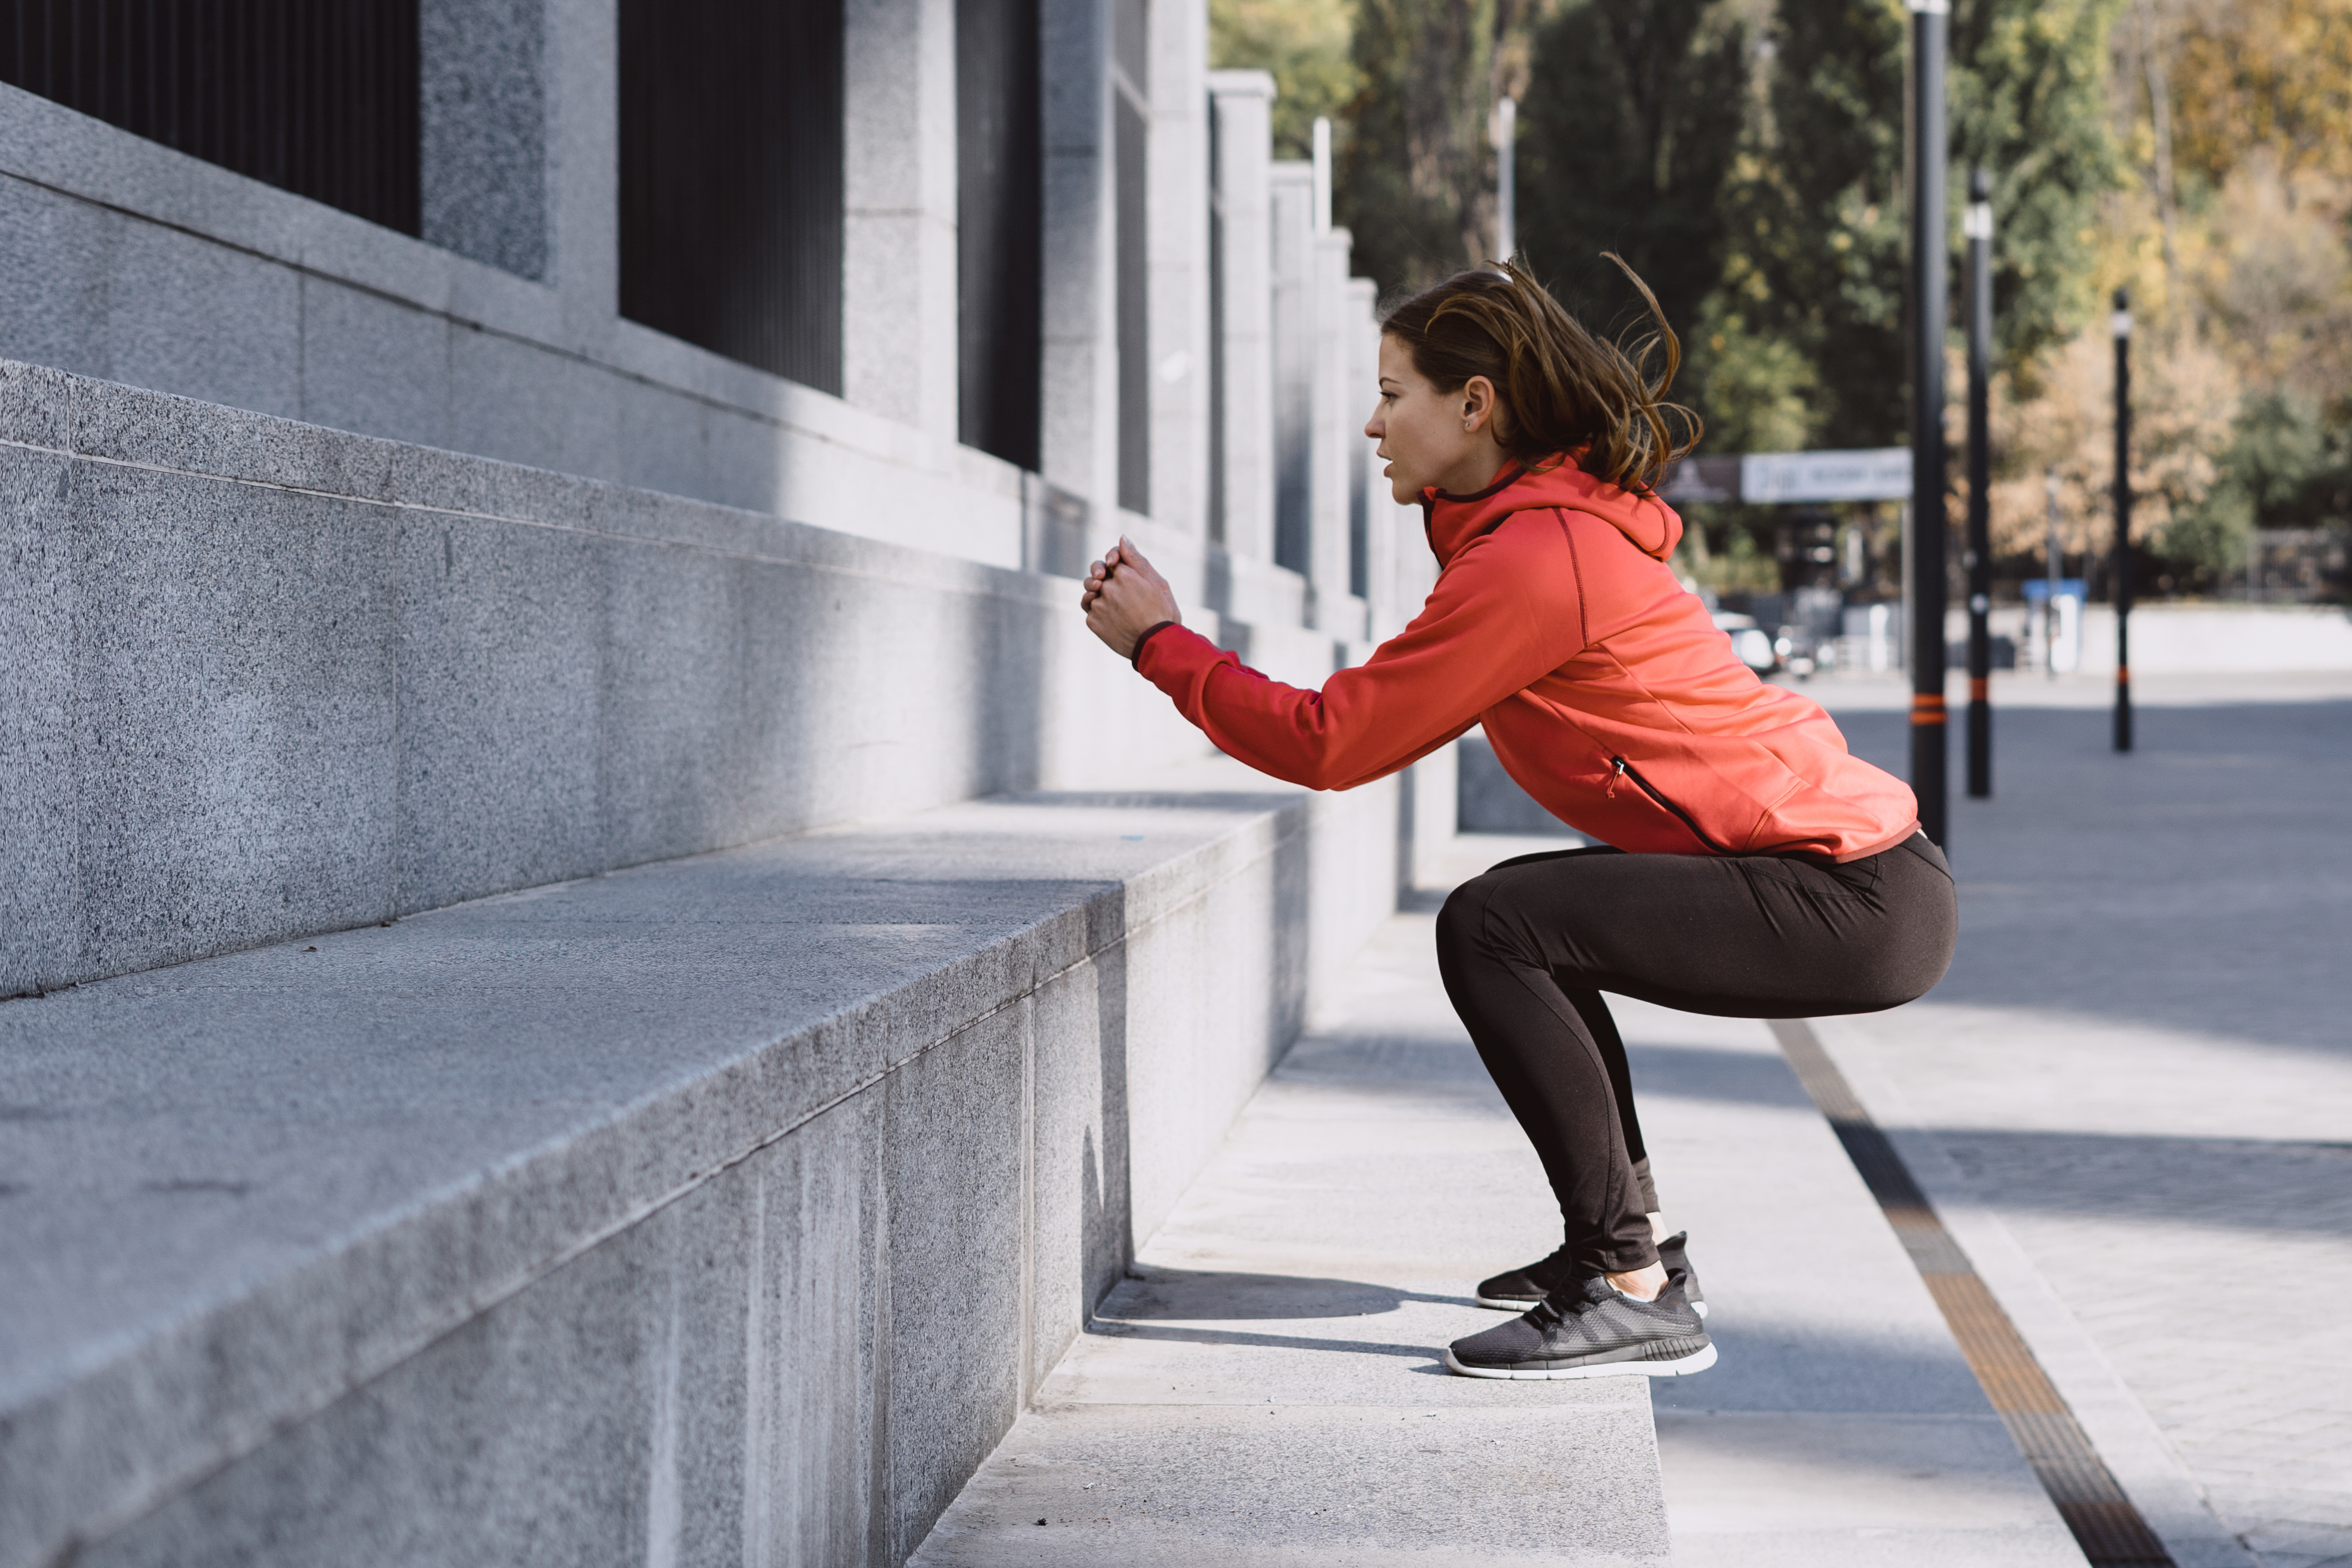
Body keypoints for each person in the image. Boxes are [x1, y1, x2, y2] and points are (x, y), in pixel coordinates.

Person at [1080, 259, 1956, 1381]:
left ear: (1474, 403)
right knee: (1535, 920)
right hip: (1856, 879)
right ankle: (1629, 1253)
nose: (1372, 422)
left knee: (1499, 922)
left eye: (1395, 393)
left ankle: (1631, 1279)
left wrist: (1164, 644)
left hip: (1854, 890)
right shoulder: (1526, 539)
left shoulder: (1537, 559)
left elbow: (1332, 740)